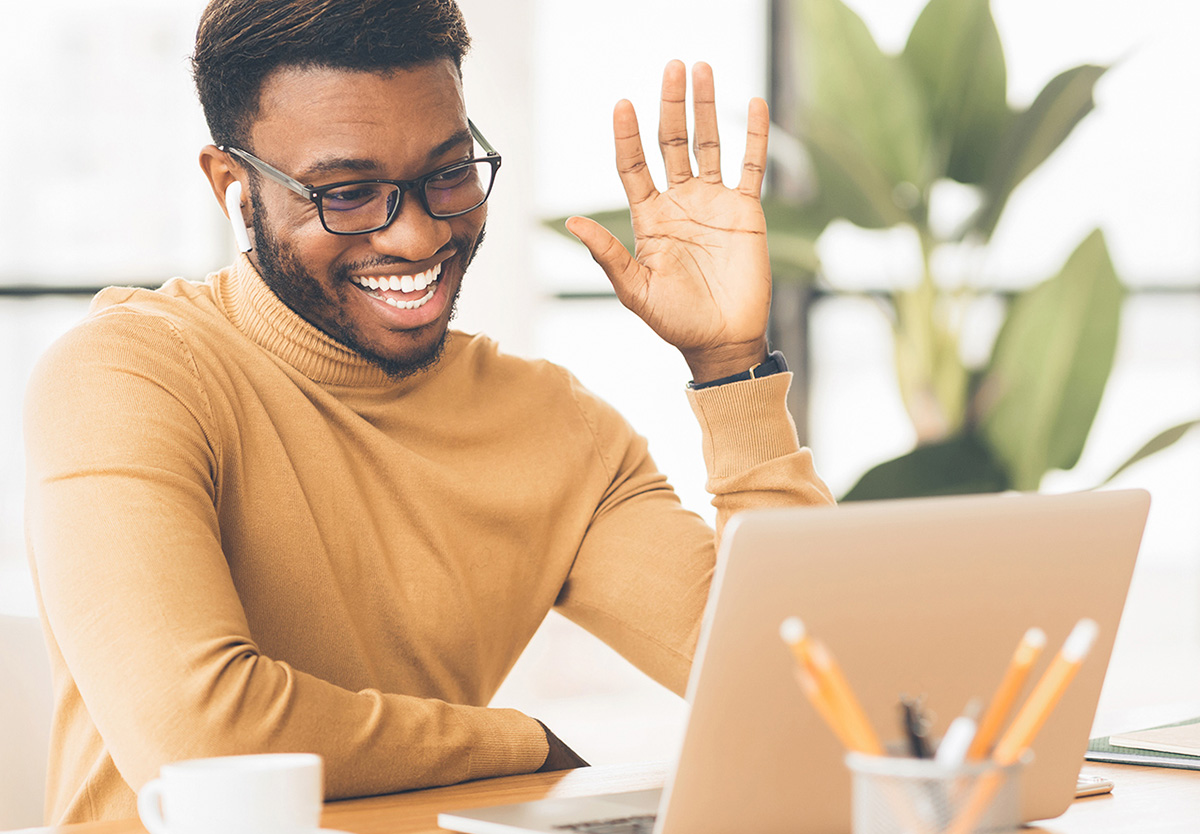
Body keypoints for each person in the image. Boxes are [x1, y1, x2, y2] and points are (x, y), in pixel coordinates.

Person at [23, 0, 833, 824]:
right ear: (233, 186)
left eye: (448, 173)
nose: (415, 237)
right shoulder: (126, 375)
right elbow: (199, 737)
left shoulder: (552, 427)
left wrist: (731, 366)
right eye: (347, 193)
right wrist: (520, 744)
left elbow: (807, 688)